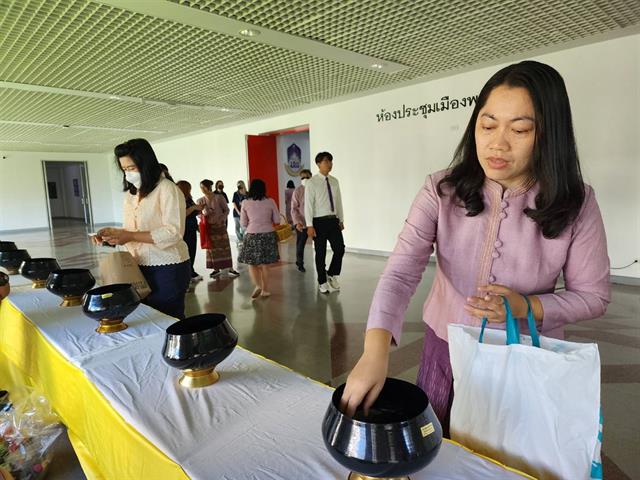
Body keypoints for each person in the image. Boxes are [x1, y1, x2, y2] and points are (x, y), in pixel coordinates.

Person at [340, 61, 610, 436]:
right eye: (487, 125)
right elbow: (401, 273)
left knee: (508, 455)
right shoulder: (441, 190)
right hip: (445, 350)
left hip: (527, 358)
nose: (497, 143)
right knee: (438, 446)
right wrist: (375, 350)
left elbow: (593, 296)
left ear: (550, 135)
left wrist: (526, 306)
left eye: (519, 129)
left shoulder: (576, 202)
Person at [95, 138, 191, 319]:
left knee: (167, 317)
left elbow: (173, 233)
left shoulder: (167, 189)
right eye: (124, 170)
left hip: (167, 266)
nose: (128, 174)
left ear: (146, 164)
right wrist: (113, 236)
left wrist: (129, 235)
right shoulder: (132, 195)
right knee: (146, 316)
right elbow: (131, 230)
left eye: (131, 168)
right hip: (137, 265)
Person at [304, 152, 345, 294]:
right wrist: (309, 225)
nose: (329, 164)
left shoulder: (334, 181)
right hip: (318, 222)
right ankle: (322, 281)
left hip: (333, 220)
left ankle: (332, 274)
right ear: (318, 164)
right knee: (320, 253)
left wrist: (341, 219)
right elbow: (308, 205)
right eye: (326, 161)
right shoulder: (311, 182)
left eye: (331, 161)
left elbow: (338, 201)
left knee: (339, 248)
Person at [238, 179, 281, 299]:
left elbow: (243, 223)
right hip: (268, 234)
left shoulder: (245, 202)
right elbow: (277, 220)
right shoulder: (270, 201)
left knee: (252, 264)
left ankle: (257, 285)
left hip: (252, 235)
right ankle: (265, 290)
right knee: (265, 265)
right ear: (264, 189)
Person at [197, 179, 239, 278]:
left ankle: (230, 267)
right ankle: (216, 268)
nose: (202, 189)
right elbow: (198, 214)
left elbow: (227, 210)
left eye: (203, 187)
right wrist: (203, 214)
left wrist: (222, 219)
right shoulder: (200, 200)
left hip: (220, 226)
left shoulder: (219, 197)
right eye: (201, 187)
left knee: (225, 246)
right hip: (209, 227)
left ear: (208, 187)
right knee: (212, 248)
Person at [176, 180, 203, 283]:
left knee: (192, 251)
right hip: (185, 229)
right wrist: (194, 208)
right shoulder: (179, 199)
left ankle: (191, 271)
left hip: (192, 227)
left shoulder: (189, 199)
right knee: (186, 251)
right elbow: (182, 214)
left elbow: (193, 212)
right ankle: (187, 273)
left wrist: (198, 209)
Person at [291, 169, 312, 272]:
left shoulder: (314, 189)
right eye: (303, 178)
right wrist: (297, 222)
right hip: (302, 222)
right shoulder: (298, 191)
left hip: (314, 222)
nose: (305, 179)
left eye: (307, 177)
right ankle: (300, 263)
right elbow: (294, 208)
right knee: (300, 244)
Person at [232, 181, 248, 245]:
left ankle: (244, 241)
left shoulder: (247, 193)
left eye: (241, 185)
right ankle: (240, 240)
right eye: (238, 185)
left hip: (244, 213)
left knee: (244, 228)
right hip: (236, 213)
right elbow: (234, 203)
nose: (239, 187)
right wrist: (238, 212)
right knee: (237, 228)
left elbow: (249, 203)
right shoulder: (235, 193)